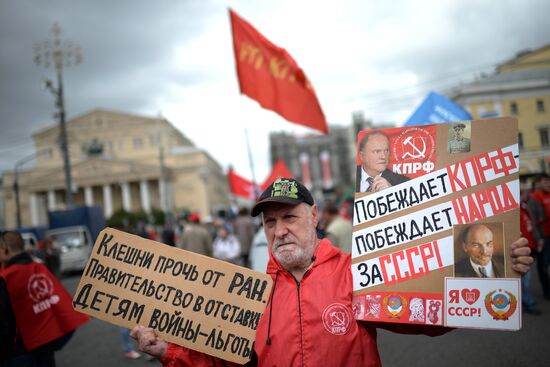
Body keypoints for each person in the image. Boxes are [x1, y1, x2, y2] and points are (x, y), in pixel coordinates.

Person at [131, 178, 533, 367]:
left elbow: (428, 316)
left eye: (289, 217)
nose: (279, 230)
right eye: (270, 223)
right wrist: (169, 352)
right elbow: (224, 361)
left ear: (314, 217)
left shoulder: (357, 273)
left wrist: (496, 273)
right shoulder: (251, 293)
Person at [0, 231, 89, 366]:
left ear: (5, 249)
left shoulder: (5, 277)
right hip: (45, 348)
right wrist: (54, 343)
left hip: (17, 353)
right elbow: (62, 306)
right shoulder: (39, 268)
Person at [520, 185, 542, 315]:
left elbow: (531, 225)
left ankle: (526, 300)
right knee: (524, 279)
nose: (527, 195)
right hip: (523, 249)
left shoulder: (524, 207)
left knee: (526, 278)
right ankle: (528, 302)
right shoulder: (516, 209)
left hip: (530, 247)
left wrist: (538, 240)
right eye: (524, 193)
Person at [531, 173, 550, 299]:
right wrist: (539, 239)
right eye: (545, 181)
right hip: (544, 237)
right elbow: (533, 221)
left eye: (549, 181)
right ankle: (547, 291)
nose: (548, 184)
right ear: (538, 183)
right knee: (543, 265)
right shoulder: (535, 197)